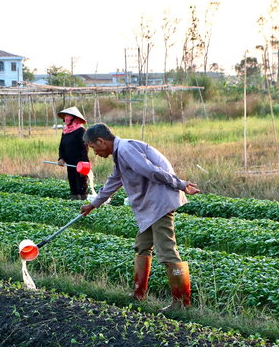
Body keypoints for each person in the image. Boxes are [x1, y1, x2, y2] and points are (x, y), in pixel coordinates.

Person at [79, 123, 200, 312]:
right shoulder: (121, 154)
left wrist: (181, 184)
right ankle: (138, 294)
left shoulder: (126, 150)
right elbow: (113, 181)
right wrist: (94, 204)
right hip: (152, 205)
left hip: (160, 202)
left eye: (93, 147)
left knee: (166, 248)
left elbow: (152, 171)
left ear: (101, 141)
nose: (94, 153)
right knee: (142, 245)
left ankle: (182, 303)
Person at [57, 107, 89, 200]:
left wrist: (84, 166)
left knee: (81, 186)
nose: (66, 118)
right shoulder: (65, 131)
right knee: (73, 186)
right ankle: (74, 204)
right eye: (65, 116)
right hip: (70, 164)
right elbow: (61, 147)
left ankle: (84, 203)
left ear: (74, 118)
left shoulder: (81, 131)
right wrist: (61, 158)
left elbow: (84, 148)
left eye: (68, 116)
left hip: (80, 164)